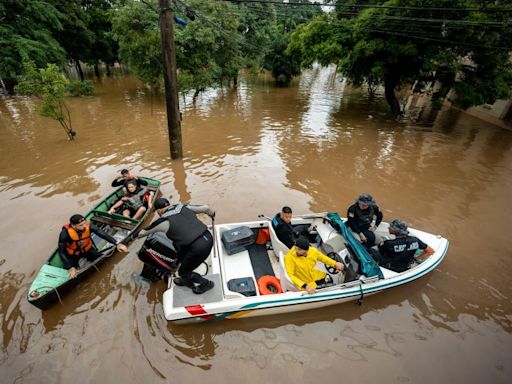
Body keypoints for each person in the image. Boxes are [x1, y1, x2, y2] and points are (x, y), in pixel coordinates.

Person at [138, 197, 216, 294]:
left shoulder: (162, 220)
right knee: (179, 254)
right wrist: (211, 214)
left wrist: (133, 237)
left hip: (198, 248)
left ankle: (206, 284)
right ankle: (186, 280)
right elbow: (205, 208)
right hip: (208, 236)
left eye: (157, 211)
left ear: (160, 210)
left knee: (183, 272)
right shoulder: (181, 207)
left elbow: (142, 233)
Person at [58, 214, 128, 278]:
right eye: (81, 225)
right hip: (74, 255)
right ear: (73, 226)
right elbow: (62, 252)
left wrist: (117, 244)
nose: (84, 226)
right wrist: (70, 267)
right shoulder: (65, 234)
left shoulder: (89, 226)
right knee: (73, 272)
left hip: (88, 249)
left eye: (84, 223)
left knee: (102, 260)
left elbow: (103, 235)